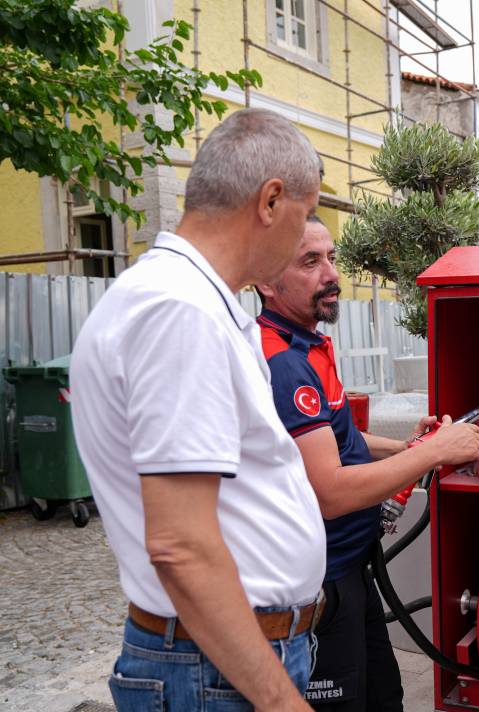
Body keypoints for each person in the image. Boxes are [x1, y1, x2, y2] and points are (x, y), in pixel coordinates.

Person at [70, 109, 328, 711]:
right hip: (212, 673)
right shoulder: (179, 311)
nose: (305, 234)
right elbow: (180, 545)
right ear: (269, 202)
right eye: (304, 213)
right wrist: (279, 701)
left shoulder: (185, 300)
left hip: (217, 662)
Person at [255, 217, 479, 711]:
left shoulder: (308, 344)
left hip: (351, 573)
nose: (331, 274)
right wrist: (435, 452)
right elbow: (330, 491)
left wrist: (408, 448)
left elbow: (338, 440)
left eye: (332, 258)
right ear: (266, 282)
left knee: (384, 697)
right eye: (310, 262)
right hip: (321, 584)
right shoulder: (282, 363)